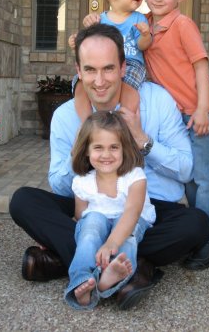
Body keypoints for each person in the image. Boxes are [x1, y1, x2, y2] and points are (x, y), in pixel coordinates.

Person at [9, 23, 209, 310]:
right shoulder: (66, 116)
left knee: (196, 224)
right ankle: (133, 267)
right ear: (78, 71)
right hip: (92, 206)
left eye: (108, 68)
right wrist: (82, 144)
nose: (100, 80)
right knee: (23, 201)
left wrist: (142, 139)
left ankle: (67, 261)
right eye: (90, 70)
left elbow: (185, 170)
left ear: (122, 67)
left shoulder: (157, 101)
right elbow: (59, 184)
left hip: (147, 211)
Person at [144, 0, 209, 269]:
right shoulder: (145, 26)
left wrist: (203, 109)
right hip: (177, 116)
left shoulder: (182, 24)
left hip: (201, 113)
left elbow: (200, 65)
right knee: (191, 180)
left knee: (207, 181)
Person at [64, 110, 156, 310]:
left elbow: (132, 212)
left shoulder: (134, 176)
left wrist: (111, 242)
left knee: (128, 238)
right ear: (86, 150)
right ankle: (82, 280)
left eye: (114, 147)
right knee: (89, 229)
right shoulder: (82, 182)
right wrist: (90, 231)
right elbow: (80, 215)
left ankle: (106, 280)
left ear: (124, 148)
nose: (106, 155)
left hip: (131, 221)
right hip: (99, 219)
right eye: (98, 147)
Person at [68, 0, 152, 121]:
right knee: (79, 83)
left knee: (128, 85)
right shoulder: (100, 19)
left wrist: (146, 35)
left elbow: (142, 46)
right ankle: (87, 123)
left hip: (132, 63)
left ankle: (123, 121)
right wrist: (76, 42)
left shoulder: (139, 19)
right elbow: (90, 43)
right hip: (102, 63)